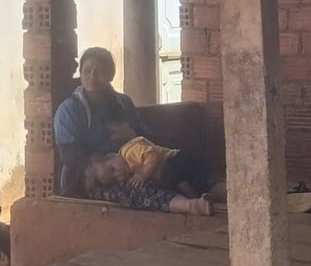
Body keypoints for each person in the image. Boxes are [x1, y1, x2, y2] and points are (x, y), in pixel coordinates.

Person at [53, 46, 225, 210]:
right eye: (87, 71)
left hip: (133, 164)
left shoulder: (122, 103)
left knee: (181, 164)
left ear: (110, 75)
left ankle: (221, 194)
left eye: (99, 72)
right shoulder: (70, 110)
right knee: (138, 188)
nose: (92, 76)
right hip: (93, 178)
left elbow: (147, 139)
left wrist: (132, 134)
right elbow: (70, 157)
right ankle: (189, 206)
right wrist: (105, 162)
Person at [83, 153, 213, 216]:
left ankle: (198, 199)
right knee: (149, 194)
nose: (118, 175)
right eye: (114, 180)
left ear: (113, 155)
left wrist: (143, 174)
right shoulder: (125, 182)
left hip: (173, 164)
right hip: (166, 182)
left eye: (112, 169)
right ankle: (193, 204)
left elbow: (153, 155)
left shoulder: (131, 150)